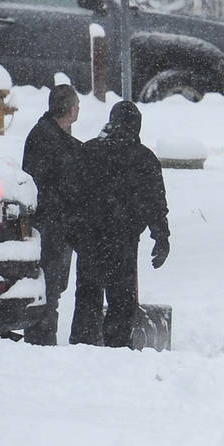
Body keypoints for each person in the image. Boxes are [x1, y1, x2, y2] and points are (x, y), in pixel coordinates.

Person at [70, 102, 170, 348]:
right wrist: (161, 236)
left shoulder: (89, 151)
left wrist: (73, 232)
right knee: (121, 299)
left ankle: (83, 344)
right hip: (123, 241)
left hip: (89, 239)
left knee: (87, 296)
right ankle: (117, 347)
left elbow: (72, 196)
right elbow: (155, 203)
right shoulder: (144, 159)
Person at [19, 83, 81, 346]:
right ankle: (42, 340)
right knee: (49, 286)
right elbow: (50, 182)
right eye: (77, 106)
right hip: (50, 225)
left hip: (57, 224)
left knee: (54, 286)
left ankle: (43, 335)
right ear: (69, 109)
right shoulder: (46, 138)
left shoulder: (55, 135)